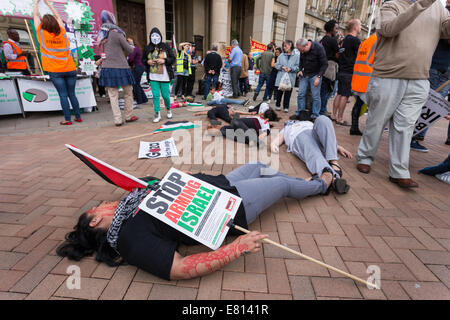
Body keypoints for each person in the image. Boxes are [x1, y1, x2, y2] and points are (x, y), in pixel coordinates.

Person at [56, 161, 340, 281]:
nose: (104, 203)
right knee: (280, 185)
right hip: (228, 207)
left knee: (258, 166)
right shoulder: (129, 238)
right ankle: (321, 185)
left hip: (221, 183)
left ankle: (302, 182)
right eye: (98, 207)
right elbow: (178, 268)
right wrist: (235, 248)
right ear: (94, 221)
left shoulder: (131, 195)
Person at [356, 0, 450, 189]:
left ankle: (399, 171)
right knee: (377, 120)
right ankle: (365, 157)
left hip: (419, 78)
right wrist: (422, 5)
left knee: (405, 126)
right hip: (387, 76)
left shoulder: (439, 8)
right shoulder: (391, 5)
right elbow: (389, 29)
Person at [271, 113, 351, 193]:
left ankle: (333, 161)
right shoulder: (288, 126)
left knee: (323, 119)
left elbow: (325, 134)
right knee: (314, 153)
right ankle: (334, 179)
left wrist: (338, 147)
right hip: (299, 136)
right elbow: (280, 137)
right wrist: (274, 144)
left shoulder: (310, 123)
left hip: (313, 134)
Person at [33, 0, 82, 126]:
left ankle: (68, 119)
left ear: (43, 24)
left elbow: (35, 16)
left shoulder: (41, 33)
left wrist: (35, 3)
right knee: (72, 94)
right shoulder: (62, 31)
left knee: (63, 95)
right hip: (70, 68)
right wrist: (50, 5)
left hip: (55, 70)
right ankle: (78, 117)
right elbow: (58, 17)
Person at [410, 2, 450, 152]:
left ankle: (416, 136)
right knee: (429, 104)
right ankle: (412, 136)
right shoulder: (445, 14)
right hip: (437, 67)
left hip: (441, 67)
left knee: (432, 105)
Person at [95, 10, 138, 127]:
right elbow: (129, 50)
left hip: (108, 68)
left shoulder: (101, 36)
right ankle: (129, 116)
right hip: (121, 67)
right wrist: (131, 43)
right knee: (128, 92)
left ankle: (118, 119)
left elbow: (103, 53)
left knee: (113, 95)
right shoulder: (117, 33)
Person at [142, 27, 175, 123]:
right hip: (153, 76)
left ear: (160, 36)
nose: (155, 38)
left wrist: (164, 60)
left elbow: (173, 59)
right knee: (156, 96)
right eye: (153, 36)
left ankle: (168, 109)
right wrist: (147, 61)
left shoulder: (166, 46)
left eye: (157, 35)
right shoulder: (147, 48)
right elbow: (143, 60)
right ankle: (157, 113)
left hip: (164, 76)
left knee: (165, 96)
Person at [332, 19, 362, 125]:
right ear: (355, 27)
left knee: (339, 94)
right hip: (349, 71)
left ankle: (333, 115)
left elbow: (338, 54)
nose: (361, 28)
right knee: (345, 95)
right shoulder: (355, 40)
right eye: (360, 25)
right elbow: (361, 55)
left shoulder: (343, 40)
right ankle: (340, 118)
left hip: (341, 70)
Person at [349, 27, 377, 136]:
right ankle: (369, 131)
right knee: (373, 107)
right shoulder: (377, 42)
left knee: (358, 104)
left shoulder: (364, 42)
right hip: (369, 78)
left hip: (358, 78)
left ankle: (354, 127)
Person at [296, 38, 328, 120]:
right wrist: (299, 70)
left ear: (307, 45)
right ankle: (301, 112)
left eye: (302, 50)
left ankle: (315, 114)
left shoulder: (319, 48)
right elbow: (301, 61)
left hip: (315, 75)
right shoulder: (302, 50)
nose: (302, 52)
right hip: (305, 74)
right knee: (301, 94)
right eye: (300, 51)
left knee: (315, 96)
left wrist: (319, 76)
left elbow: (324, 64)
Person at [214, 108, 280, 147]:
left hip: (243, 127)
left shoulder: (265, 122)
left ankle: (255, 140)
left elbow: (267, 130)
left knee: (235, 122)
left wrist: (263, 134)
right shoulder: (258, 117)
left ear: (267, 119)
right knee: (224, 129)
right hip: (241, 128)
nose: (262, 115)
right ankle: (249, 141)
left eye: (263, 114)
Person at [320, 20, 340, 116]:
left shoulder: (322, 39)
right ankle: (323, 110)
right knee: (327, 91)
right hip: (330, 68)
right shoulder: (333, 40)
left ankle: (321, 109)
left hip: (322, 67)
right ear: (331, 29)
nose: (337, 30)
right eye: (336, 28)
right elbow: (337, 55)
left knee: (322, 91)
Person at [275, 40, 299, 113]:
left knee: (288, 93)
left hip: (291, 76)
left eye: (286, 46)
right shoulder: (281, 55)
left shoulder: (296, 56)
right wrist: (282, 67)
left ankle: (286, 106)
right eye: (284, 46)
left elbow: (298, 66)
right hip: (281, 76)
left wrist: (291, 69)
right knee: (279, 92)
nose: (284, 47)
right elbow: (277, 65)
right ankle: (278, 105)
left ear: (290, 45)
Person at [127, 37, 148, 105]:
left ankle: (139, 100)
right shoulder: (135, 48)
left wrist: (127, 62)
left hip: (138, 67)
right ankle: (144, 99)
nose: (128, 42)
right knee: (137, 84)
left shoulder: (134, 48)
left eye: (129, 41)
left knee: (135, 84)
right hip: (139, 67)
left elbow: (131, 59)